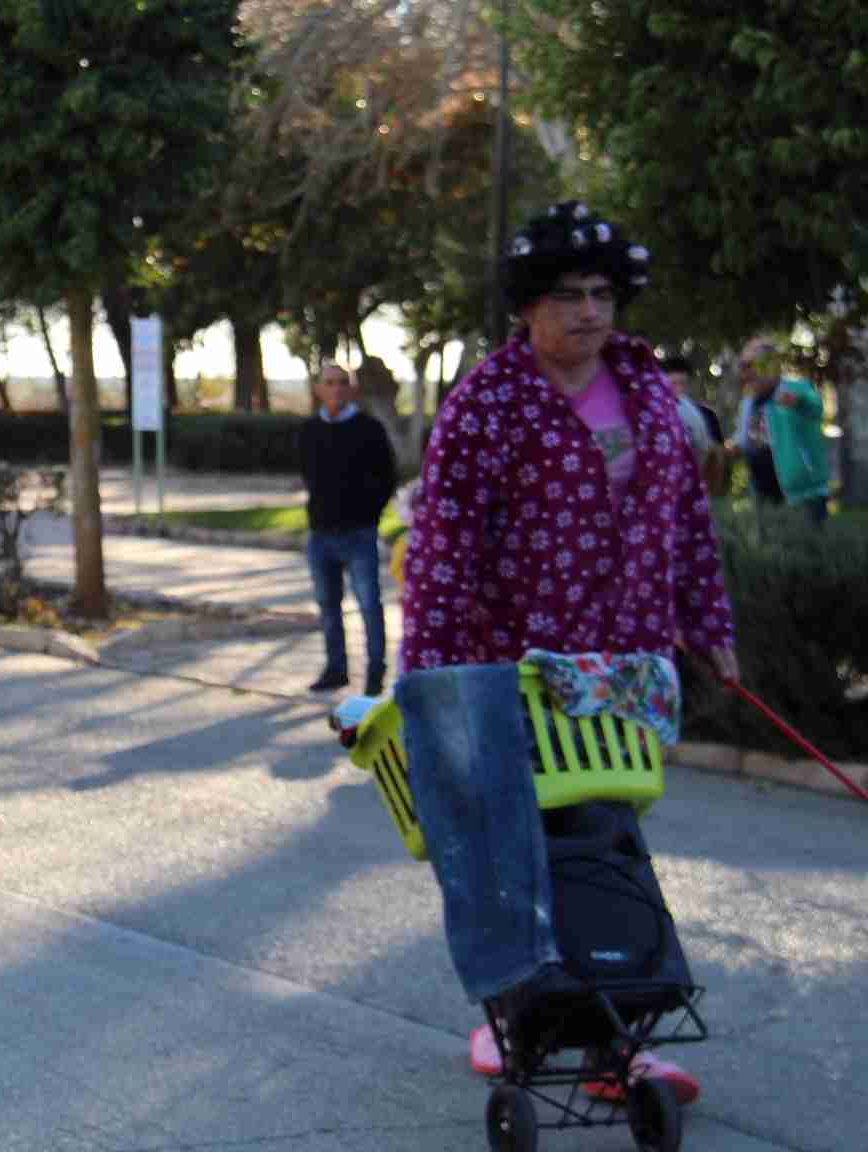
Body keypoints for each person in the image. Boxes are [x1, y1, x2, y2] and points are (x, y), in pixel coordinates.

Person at [399, 200, 738, 1104]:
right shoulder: (490, 400)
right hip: (512, 668)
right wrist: (428, 680)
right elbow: (441, 546)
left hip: (623, 668)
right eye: (564, 297)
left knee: (610, 843)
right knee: (524, 847)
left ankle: (612, 1036)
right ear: (525, 307)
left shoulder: (649, 392)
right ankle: (523, 1017)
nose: (587, 313)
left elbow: (687, 525)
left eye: (600, 294)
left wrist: (712, 630)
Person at [298, 363, 397, 696]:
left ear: (352, 389)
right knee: (328, 605)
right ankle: (335, 668)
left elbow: (387, 478)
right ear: (318, 390)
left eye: (343, 383)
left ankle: (375, 672)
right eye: (330, 383)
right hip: (321, 536)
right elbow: (308, 475)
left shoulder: (369, 429)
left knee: (369, 604)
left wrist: (369, 513)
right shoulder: (309, 431)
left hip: (359, 534)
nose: (337, 388)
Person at [728, 335, 831, 524]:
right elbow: (744, 440)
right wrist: (728, 449)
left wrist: (799, 401)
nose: (747, 372)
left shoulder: (796, 389)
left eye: (752, 365)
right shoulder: (748, 403)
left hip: (803, 494)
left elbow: (815, 406)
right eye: (744, 366)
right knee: (773, 551)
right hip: (764, 496)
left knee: (810, 549)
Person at [661, 353, 730, 496]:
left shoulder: (706, 415)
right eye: (673, 384)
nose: (678, 390)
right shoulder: (651, 413)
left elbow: (717, 457)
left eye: (682, 384)